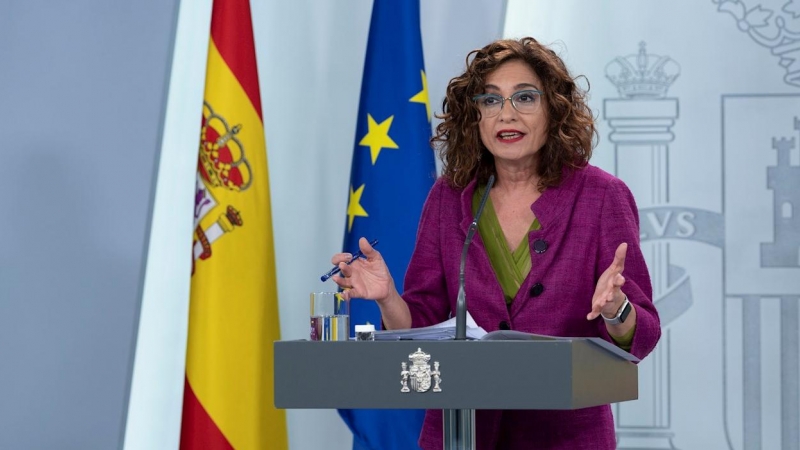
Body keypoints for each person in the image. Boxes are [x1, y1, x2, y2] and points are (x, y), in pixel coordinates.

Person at [331, 37, 661, 450]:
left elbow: (644, 335)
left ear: (553, 109)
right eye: (490, 101)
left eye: (524, 97)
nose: (507, 113)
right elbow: (420, 326)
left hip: (566, 437)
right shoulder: (448, 198)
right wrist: (387, 298)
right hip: (461, 434)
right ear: (475, 117)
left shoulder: (600, 196)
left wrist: (618, 310)